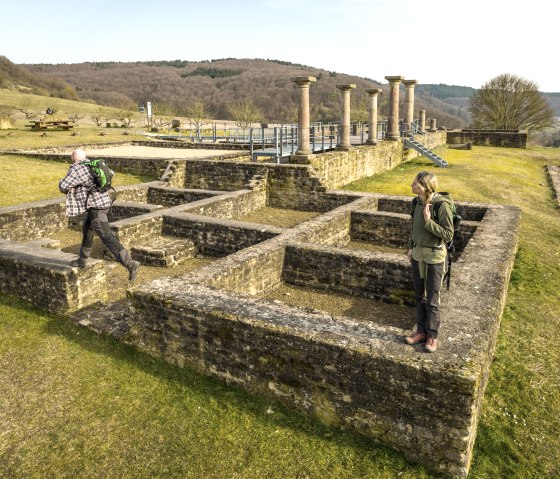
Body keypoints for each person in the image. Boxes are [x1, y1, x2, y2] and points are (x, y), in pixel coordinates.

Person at [59, 149, 140, 281]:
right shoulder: (93, 164)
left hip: (96, 208)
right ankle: (82, 259)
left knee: (107, 237)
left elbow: (63, 186)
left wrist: (60, 181)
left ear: (74, 158)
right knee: (88, 230)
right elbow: (111, 173)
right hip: (104, 203)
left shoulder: (76, 169)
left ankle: (130, 264)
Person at [405, 171, 454, 353]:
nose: (411, 185)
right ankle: (420, 332)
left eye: (415, 183)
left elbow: (448, 234)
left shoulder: (441, 206)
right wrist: (411, 246)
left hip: (434, 256)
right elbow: (413, 228)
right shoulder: (415, 202)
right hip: (418, 254)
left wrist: (428, 221)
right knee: (419, 296)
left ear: (425, 187)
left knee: (432, 299)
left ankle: (432, 336)